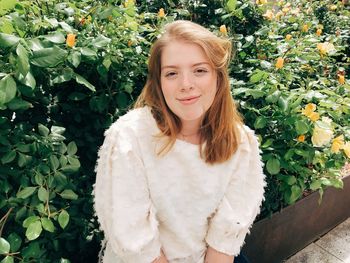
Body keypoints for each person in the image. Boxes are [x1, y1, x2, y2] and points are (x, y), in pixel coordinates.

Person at [93, 20, 266, 263]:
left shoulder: (240, 142)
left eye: (200, 70)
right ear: (159, 82)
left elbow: (224, 239)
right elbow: (133, 240)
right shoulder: (129, 138)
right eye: (172, 73)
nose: (186, 85)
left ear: (218, 77)